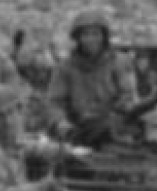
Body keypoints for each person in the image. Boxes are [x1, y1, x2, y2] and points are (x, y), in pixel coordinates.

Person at [49, 12, 136, 145]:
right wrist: (61, 121)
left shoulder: (118, 62)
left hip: (112, 123)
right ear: (78, 38)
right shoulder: (65, 67)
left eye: (96, 34)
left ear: (104, 37)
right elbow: (55, 102)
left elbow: (128, 95)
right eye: (85, 34)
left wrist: (120, 111)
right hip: (77, 127)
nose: (91, 39)